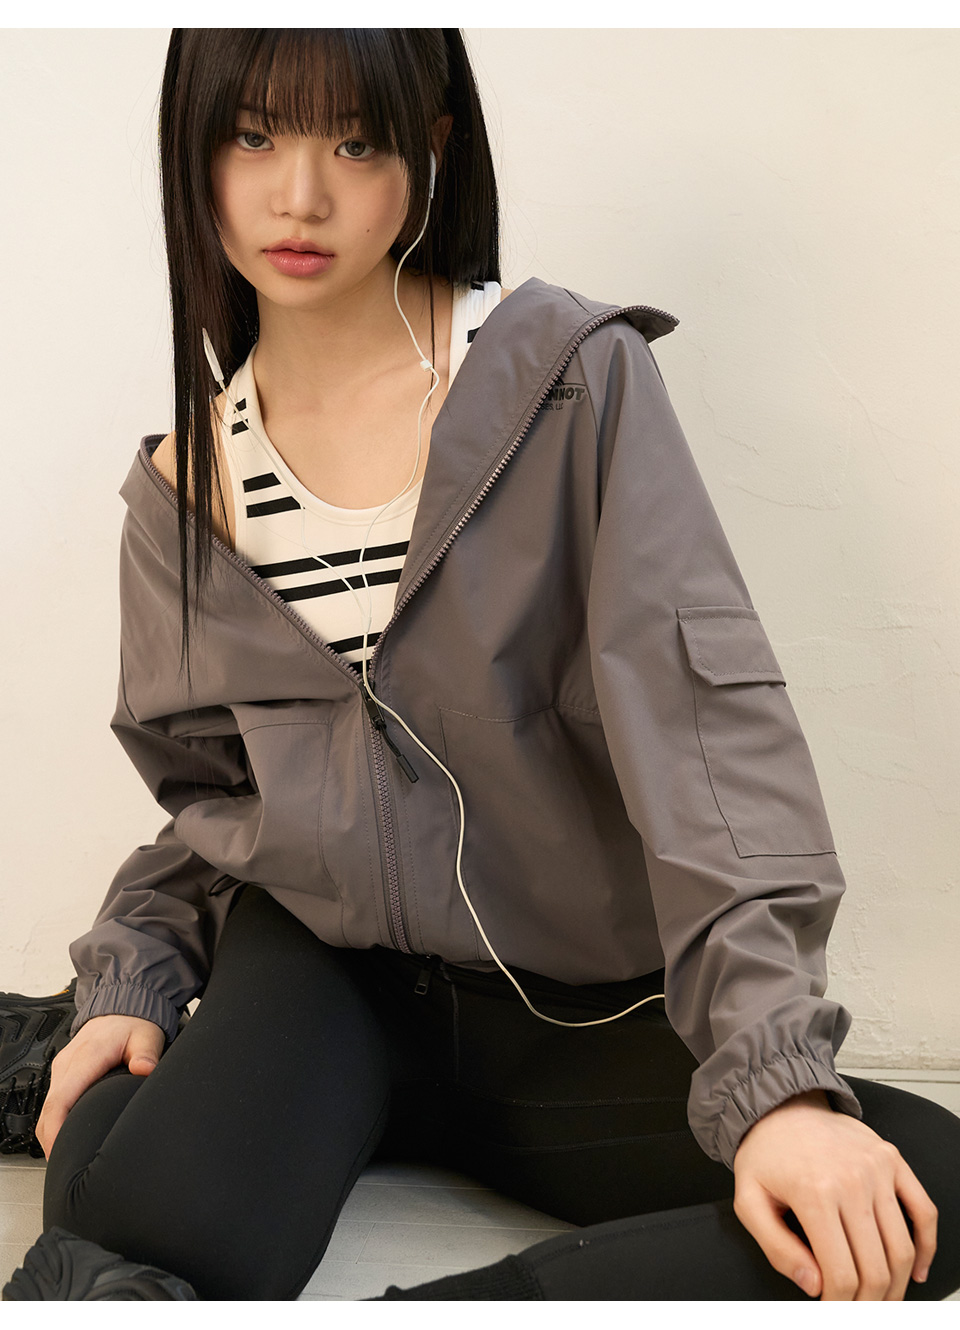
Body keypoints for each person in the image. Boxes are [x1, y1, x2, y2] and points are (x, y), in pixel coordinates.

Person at [2, 27, 958, 1302]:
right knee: (147, 1215)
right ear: (195, 149)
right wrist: (134, 972)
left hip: (568, 1007)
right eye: (254, 136)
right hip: (326, 975)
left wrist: (778, 1083)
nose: (300, 196)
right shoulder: (191, 487)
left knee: (912, 1194)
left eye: (356, 142)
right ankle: (135, 1071)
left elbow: (706, 745)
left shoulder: (567, 384)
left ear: (433, 144)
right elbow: (220, 802)